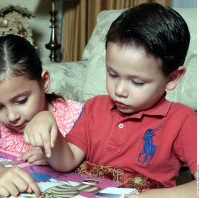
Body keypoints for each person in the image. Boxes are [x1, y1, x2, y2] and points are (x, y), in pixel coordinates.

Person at [24, 3, 196, 198]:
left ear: (172, 78)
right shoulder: (94, 107)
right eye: (112, 74)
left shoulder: (183, 121)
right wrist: (47, 122)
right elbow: (67, 161)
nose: (120, 90)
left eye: (137, 82)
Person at [0, 34, 82, 197]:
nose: (11, 116)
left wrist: (53, 152)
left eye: (21, 100)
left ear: (44, 82)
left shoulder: (72, 114)